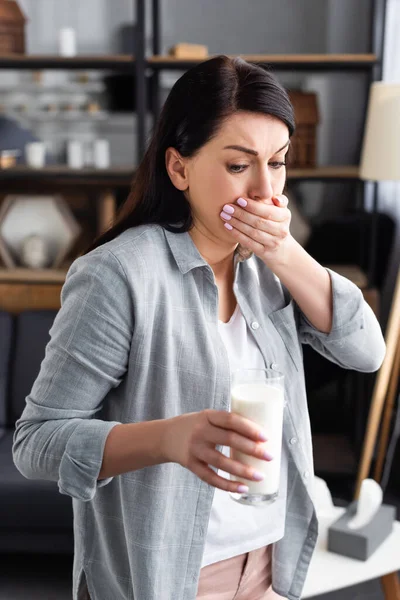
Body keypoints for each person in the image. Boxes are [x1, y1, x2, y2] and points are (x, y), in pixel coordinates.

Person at [12, 55, 386, 600]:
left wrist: (285, 252)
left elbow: (366, 350)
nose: (266, 190)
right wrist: (167, 438)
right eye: (239, 166)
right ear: (179, 168)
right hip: (166, 575)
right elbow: (36, 441)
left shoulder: (269, 267)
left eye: (277, 163)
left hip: (266, 563)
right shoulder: (119, 275)